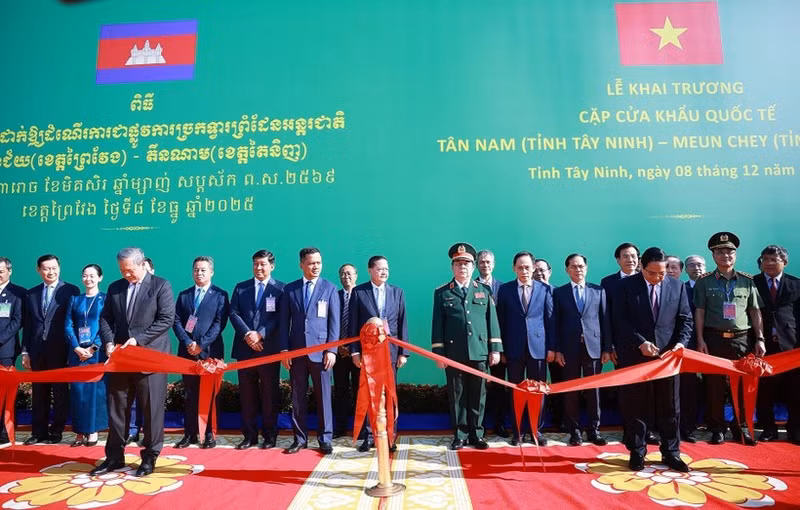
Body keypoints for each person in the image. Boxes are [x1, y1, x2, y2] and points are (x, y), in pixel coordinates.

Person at [92, 247, 175, 477]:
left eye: (130, 270)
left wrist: (138, 340)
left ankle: (149, 457)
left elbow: (166, 319)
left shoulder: (160, 285)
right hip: (121, 358)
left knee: (151, 410)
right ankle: (114, 457)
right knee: (117, 408)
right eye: (122, 271)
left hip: (150, 358)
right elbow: (106, 318)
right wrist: (109, 342)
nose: (126, 275)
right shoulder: (115, 287)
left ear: (142, 264)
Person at [612, 247, 692, 472]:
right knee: (635, 404)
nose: (657, 278)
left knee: (670, 405)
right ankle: (637, 451)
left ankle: (671, 452)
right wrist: (640, 342)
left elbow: (685, 319)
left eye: (662, 273)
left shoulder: (677, 286)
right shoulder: (625, 286)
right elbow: (620, 320)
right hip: (635, 355)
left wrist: (680, 344)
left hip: (667, 357)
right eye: (652, 273)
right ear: (642, 267)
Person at [694, 232, 765, 446]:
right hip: (714, 339)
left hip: (742, 340)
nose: (725, 255)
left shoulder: (747, 281)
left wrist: (760, 338)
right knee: (714, 386)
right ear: (713, 255)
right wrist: (700, 339)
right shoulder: (704, 282)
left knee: (742, 385)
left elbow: (755, 311)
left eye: (729, 251)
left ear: (735, 254)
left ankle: (740, 427)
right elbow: (699, 312)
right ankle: (717, 428)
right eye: (720, 252)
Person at [432, 243, 502, 450]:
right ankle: (460, 434)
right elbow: (437, 325)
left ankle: (477, 434)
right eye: (458, 263)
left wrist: (495, 349)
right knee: (457, 395)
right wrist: (439, 353)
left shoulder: (484, 290)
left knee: (479, 394)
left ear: (473, 267)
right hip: (454, 353)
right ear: (452, 267)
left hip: (479, 351)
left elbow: (492, 322)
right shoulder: (442, 293)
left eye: (467, 263)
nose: (462, 267)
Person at [279, 247, 340, 454]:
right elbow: (283, 322)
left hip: (321, 353)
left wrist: (331, 350)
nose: (316, 267)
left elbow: (334, 323)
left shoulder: (329, 288)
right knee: (297, 397)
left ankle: (325, 438)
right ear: (301, 265)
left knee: (324, 397)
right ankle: (299, 439)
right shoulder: (290, 289)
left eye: (318, 263)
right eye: (311, 263)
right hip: (296, 352)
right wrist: (284, 349)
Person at [600, 242, 658, 445]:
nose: (630, 260)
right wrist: (609, 346)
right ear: (618, 260)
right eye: (625, 256)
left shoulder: (648, 279)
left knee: (649, 390)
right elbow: (607, 317)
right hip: (623, 346)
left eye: (634, 256)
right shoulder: (609, 282)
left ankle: (648, 430)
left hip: (649, 347)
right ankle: (629, 429)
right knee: (627, 390)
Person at [349, 255, 409, 452]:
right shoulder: (359, 292)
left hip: (390, 351)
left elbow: (402, 322)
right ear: (370, 271)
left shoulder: (397, 292)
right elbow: (353, 324)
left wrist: (403, 352)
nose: (384, 272)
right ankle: (369, 436)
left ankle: (390, 436)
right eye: (380, 269)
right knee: (369, 393)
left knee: (389, 394)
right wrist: (354, 352)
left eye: (386, 269)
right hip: (368, 352)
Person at [496, 251, 554, 446]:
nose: (524, 271)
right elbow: (500, 321)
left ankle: (536, 431)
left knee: (538, 391)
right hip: (513, 349)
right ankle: (518, 431)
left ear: (533, 268)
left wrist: (552, 348)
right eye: (520, 267)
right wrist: (501, 349)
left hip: (538, 348)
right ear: (514, 268)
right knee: (517, 391)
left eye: (527, 267)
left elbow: (550, 320)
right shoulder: (505, 290)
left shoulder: (544, 289)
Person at [22, 254, 80, 445]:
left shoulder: (70, 290)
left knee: (60, 392)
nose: (51, 272)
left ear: (59, 268)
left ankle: (57, 430)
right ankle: (38, 432)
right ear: (38, 270)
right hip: (37, 350)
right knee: (39, 392)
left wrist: (73, 349)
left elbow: (74, 322)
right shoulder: (31, 294)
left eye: (54, 268)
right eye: (46, 268)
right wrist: (25, 351)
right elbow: (28, 325)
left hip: (60, 349)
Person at [553, 253, 611, 446]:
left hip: (593, 348)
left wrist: (606, 348)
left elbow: (605, 320)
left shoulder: (598, 291)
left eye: (581, 266)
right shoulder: (559, 293)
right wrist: (558, 349)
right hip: (569, 349)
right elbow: (555, 323)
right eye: (574, 266)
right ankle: (574, 431)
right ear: (567, 270)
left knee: (594, 391)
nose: (578, 269)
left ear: (586, 268)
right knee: (571, 391)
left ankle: (594, 430)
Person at [229, 250, 284, 450]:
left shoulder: (281, 289)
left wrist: (260, 334)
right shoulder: (241, 287)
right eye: (255, 264)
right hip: (245, 349)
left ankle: (270, 436)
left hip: (268, 350)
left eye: (263, 264)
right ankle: (249, 436)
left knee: (269, 394)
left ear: (272, 266)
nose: (259, 268)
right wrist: (248, 335)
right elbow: (233, 313)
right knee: (247, 395)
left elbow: (280, 317)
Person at [173, 256, 229, 449]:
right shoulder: (184, 295)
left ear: (211, 272)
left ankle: (210, 434)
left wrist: (201, 344)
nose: (199, 273)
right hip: (187, 352)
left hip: (210, 352)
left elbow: (219, 324)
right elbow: (176, 321)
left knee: (211, 394)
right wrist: (188, 342)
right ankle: (190, 434)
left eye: (203, 270)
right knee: (190, 394)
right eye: (196, 269)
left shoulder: (220, 295)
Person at [754, 245, 800, 444]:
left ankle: (795, 429)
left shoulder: (796, 284)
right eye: (765, 259)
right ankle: (768, 428)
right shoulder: (752, 283)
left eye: (774, 259)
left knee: (795, 389)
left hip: (791, 346)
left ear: (785, 262)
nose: (769, 263)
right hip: (762, 345)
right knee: (764, 389)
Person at [64, 264, 108, 447]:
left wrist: (93, 348)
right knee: (77, 392)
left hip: (96, 354)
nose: (88, 279)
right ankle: (79, 431)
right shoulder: (75, 299)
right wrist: (76, 347)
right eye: (85, 275)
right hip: (77, 354)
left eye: (92, 276)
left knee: (94, 393)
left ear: (100, 278)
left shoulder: (105, 299)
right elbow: (68, 325)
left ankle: (93, 430)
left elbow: (107, 326)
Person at [476, 249, 509, 438]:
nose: (485, 265)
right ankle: (478, 426)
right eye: (482, 262)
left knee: (498, 387)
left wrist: (501, 349)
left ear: (494, 264)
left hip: (498, 348)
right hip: (478, 347)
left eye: (488, 262)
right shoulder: (471, 286)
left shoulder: (503, 288)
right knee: (478, 388)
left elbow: (506, 320)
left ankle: (499, 424)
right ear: (477, 265)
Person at [680, 254, 707, 443]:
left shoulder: (714, 287)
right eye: (692, 265)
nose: (696, 268)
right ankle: (687, 426)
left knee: (713, 386)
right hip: (688, 345)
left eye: (700, 265)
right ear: (686, 269)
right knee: (688, 386)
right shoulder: (681, 289)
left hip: (712, 342)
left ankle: (715, 424)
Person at [128, 257, 154, 444]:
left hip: (152, 351)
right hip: (130, 350)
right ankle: (132, 430)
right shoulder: (129, 290)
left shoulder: (160, 289)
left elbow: (167, 319)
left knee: (150, 396)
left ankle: (150, 433)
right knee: (133, 393)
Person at [0, 257, 25, 445]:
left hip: (5, 351)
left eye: (1, 272)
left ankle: (4, 432)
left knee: (4, 393)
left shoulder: (17, 293)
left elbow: (17, 321)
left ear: (9, 271)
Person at [333, 263, 358, 439]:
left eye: (349, 273)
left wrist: (354, 348)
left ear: (356, 275)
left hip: (358, 353)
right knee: (340, 391)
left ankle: (360, 428)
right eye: (342, 274)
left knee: (359, 391)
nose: (346, 276)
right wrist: (337, 346)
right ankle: (340, 427)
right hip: (339, 352)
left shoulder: (363, 295)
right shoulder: (334, 296)